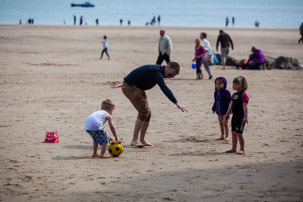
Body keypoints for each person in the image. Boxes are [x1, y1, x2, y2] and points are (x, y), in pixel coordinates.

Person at [111, 62, 188, 147]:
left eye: (172, 77)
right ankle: (134, 140)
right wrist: (176, 102)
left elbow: (140, 76)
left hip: (136, 87)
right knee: (143, 112)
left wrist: (124, 83)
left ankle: (142, 139)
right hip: (131, 87)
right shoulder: (156, 71)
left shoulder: (158, 71)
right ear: (167, 67)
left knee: (148, 113)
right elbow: (164, 88)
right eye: (170, 74)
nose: (169, 77)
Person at [225, 76, 249, 154]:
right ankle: (233, 148)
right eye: (234, 84)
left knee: (239, 133)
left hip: (241, 117)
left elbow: (245, 107)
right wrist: (227, 114)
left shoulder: (244, 95)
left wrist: (245, 117)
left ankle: (242, 149)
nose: (235, 85)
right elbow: (230, 105)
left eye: (237, 84)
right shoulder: (234, 95)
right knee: (233, 133)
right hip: (234, 117)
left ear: (243, 85)